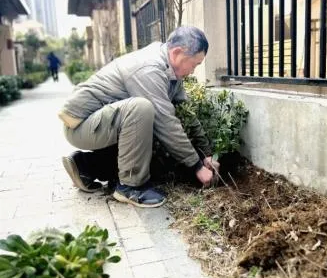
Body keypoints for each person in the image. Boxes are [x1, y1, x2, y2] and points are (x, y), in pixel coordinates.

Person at [59, 26, 220, 208]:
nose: (193, 71)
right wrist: (196, 167)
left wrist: (206, 154)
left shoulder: (171, 72)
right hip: (80, 125)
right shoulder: (149, 69)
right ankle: (131, 187)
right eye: (195, 64)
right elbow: (166, 124)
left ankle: (86, 167)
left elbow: (186, 111)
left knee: (142, 129)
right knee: (142, 109)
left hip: (99, 124)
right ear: (177, 53)